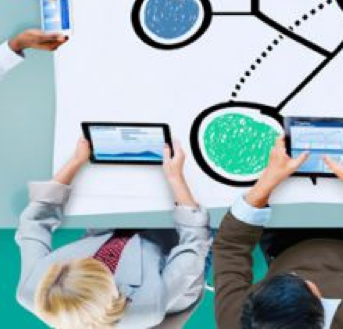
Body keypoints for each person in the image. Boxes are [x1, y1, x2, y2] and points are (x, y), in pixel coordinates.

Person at [213, 137, 343, 329]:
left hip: (284, 240)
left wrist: (267, 181)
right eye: (305, 284)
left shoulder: (240, 321)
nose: (303, 274)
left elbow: (229, 248)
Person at [16, 138, 211, 328]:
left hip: (109, 235)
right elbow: (193, 245)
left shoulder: (32, 290)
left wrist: (75, 161)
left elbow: (34, 222)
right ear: (110, 282)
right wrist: (176, 178)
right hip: (171, 254)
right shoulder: (146, 306)